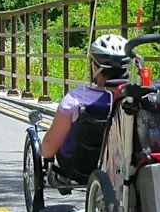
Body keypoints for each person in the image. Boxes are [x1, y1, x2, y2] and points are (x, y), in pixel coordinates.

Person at [40, 34, 129, 169]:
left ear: (95, 67)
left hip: (78, 169)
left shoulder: (75, 99)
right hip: (123, 170)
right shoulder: (137, 98)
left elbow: (48, 150)